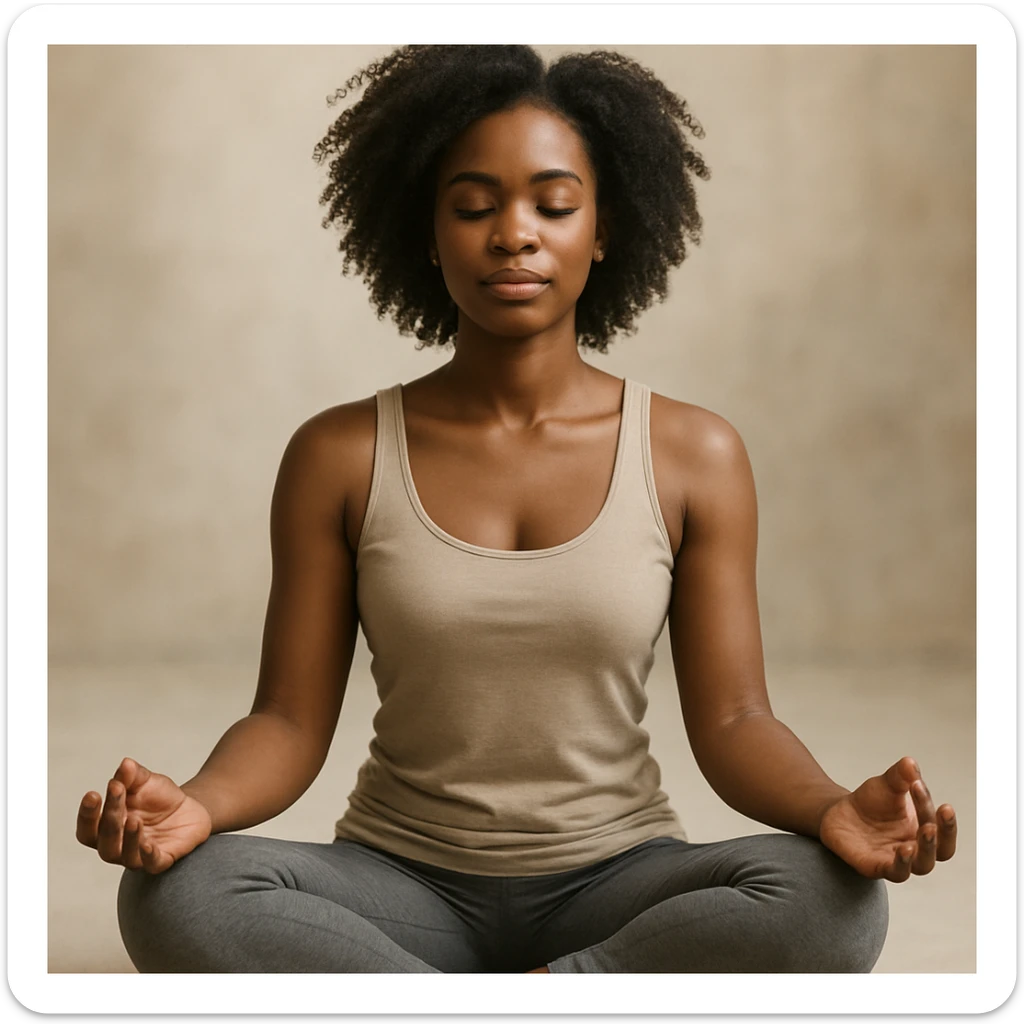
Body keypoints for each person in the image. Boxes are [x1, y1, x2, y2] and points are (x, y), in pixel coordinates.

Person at [77, 45, 957, 974]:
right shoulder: (338, 454)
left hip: (618, 880)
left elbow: (737, 720)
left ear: (604, 229)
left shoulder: (694, 454)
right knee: (178, 894)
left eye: (554, 204)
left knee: (831, 903)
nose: (513, 235)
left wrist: (831, 809)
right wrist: (198, 805)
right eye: (472, 207)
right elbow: (288, 722)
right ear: (427, 233)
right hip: (398, 883)